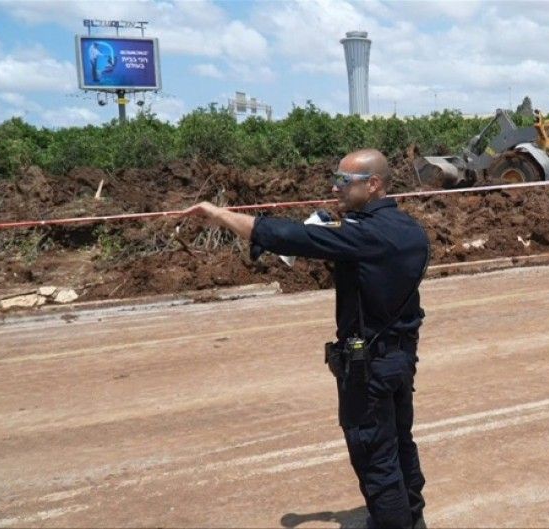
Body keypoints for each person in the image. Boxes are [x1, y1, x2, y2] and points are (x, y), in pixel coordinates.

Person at [182, 149, 429, 529]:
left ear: (373, 184)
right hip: (399, 360)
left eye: (344, 181)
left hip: (369, 371)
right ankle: (413, 518)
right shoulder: (410, 230)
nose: (335, 187)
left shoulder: (363, 236)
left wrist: (220, 215)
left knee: (375, 456)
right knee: (399, 444)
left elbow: (288, 236)